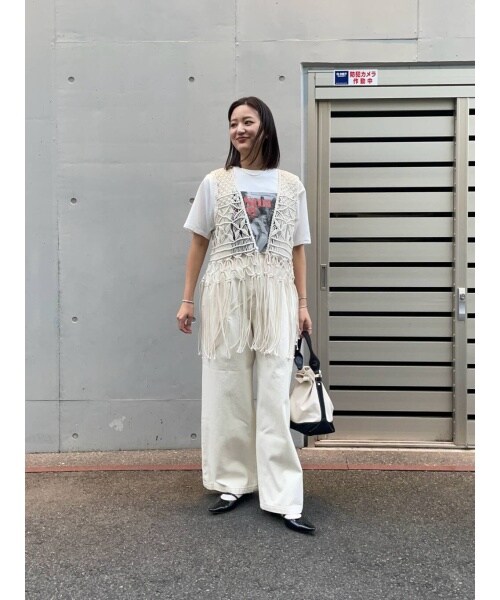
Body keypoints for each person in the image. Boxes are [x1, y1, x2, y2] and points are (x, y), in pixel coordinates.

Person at [177, 96, 315, 534]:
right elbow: (199, 241)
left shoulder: (290, 185)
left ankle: (284, 496)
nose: (239, 129)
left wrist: (303, 304)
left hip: (277, 296)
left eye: (247, 121)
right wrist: (187, 299)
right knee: (227, 388)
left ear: (264, 127)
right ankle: (232, 481)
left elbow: (297, 248)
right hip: (226, 295)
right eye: (233, 123)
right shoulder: (216, 182)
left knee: (274, 392)